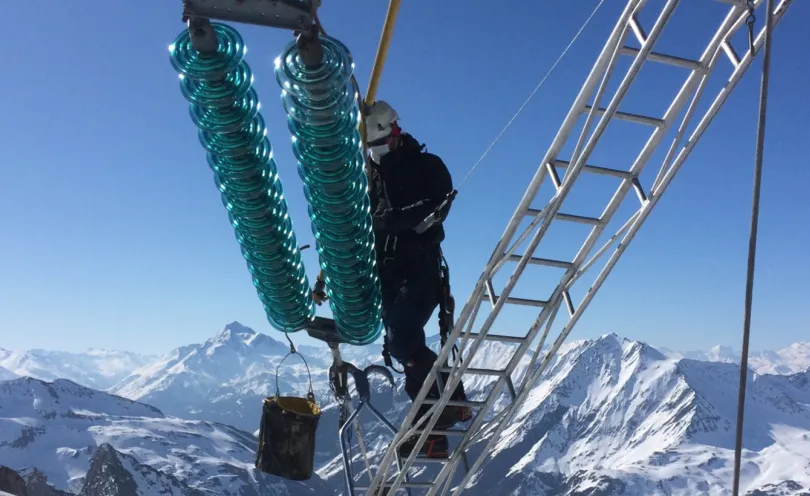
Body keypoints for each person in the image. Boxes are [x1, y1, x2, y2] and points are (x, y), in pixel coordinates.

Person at [364, 100, 472, 459]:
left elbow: (434, 206)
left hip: (420, 268)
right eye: (372, 150)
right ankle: (447, 411)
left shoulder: (427, 167)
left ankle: (435, 423)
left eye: (379, 147)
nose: (377, 155)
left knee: (402, 340)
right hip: (388, 273)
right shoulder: (370, 177)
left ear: (395, 133)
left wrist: (388, 220)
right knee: (404, 344)